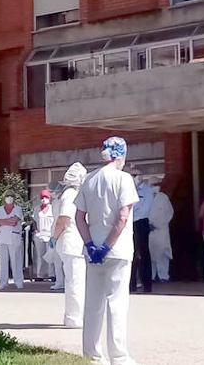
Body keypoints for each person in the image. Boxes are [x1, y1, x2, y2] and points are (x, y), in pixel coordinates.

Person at [75, 136, 139, 365]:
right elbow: (122, 217)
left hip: (92, 251)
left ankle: (91, 355)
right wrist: (107, 246)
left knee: (93, 303)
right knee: (117, 303)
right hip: (117, 251)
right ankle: (119, 356)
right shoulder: (124, 179)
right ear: (120, 155)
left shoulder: (89, 179)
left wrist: (91, 244)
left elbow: (79, 217)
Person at [53, 162, 87, 328]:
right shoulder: (71, 194)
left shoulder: (74, 193)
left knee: (76, 281)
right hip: (72, 242)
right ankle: (75, 318)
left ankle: (74, 316)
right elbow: (64, 219)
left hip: (73, 243)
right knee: (75, 281)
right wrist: (56, 236)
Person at [129, 169, 154, 293]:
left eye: (134, 175)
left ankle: (147, 284)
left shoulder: (147, 190)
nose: (132, 178)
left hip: (141, 222)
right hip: (129, 223)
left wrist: (133, 214)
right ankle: (131, 284)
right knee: (130, 254)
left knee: (143, 253)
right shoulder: (128, 189)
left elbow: (145, 208)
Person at [0, 193, 24, 290]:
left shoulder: (18, 209)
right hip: (1, 237)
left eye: (11, 196)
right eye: (7, 196)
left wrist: (4, 221)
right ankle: (3, 282)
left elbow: (15, 221)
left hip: (13, 237)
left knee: (16, 260)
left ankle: (18, 282)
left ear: (14, 199)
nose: (9, 198)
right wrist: (9, 221)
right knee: (2, 261)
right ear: (4, 198)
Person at [147, 178, 174, 282]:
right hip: (149, 230)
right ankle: (151, 276)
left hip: (161, 230)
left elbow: (169, 213)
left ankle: (163, 276)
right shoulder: (145, 197)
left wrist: (159, 224)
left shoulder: (163, 198)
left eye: (157, 184)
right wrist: (148, 225)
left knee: (163, 253)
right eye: (153, 184)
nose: (155, 186)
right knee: (150, 253)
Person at [33, 189, 56, 283]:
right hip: (39, 234)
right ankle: (40, 274)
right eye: (42, 197)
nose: (44, 199)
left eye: (46, 197)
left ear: (49, 198)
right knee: (40, 255)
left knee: (50, 255)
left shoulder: (53, 208)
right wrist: (35, 230)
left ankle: (52, 274)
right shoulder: (37, 209)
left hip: (50, 234)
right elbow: (34, 220)